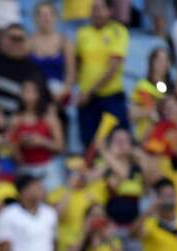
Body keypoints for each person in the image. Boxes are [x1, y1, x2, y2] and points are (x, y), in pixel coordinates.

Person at [74, 0, 130, 148]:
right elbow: (77, 65)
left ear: (110, 11)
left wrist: (90, 92)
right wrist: (76, 92)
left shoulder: (119, 31)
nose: (96, 12)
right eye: (93, 8)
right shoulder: (82, 33)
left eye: (100, 8)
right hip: (87, 100)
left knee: (116, 142)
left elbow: (113, 68)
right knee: (88, 143)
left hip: (110, 98)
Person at [8, 78, 65, 191]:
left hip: (47, 169)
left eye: (32, 91)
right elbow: (13, 152)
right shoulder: (15, 119)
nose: (28, 95)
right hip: (25, 168)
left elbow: (60, 147)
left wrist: (42, 141)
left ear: (39, 94)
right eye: (25, 91)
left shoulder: (49, 118)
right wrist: (19, 144)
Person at [25, 2, 75, 109]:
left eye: (49, 14)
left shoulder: (64, 42)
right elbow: (25, 73)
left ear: (56, 17)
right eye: (42, 15)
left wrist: (62, 92)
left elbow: (71, 74)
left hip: (59, 96)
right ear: (35, 19)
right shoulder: (29, 43)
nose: (46, 18)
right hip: (36, 97)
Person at [129, 48, 172, 144]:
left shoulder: (174, 89)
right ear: (151, 62)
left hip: (167, 142)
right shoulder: (142, 86)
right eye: (159, 60)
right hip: (146, 138)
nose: (163, 64)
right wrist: (151, 111)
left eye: (166, 60)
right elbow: (131, 114)